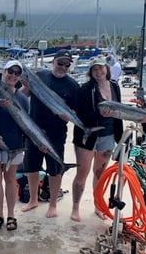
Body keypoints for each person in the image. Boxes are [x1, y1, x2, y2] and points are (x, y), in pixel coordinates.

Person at [20, 49, 79, 218]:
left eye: (67, 65)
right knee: (31, 166)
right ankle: (33, 199)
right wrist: (25, 86)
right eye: (60, 63)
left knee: (55, 169)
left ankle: (52, 204)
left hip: (56, 133)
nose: (63, 67)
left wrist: (67, 116)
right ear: (53, 62)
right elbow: (24, 96)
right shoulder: (39, 76)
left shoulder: (73, 85)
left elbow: (74, 111)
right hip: (34, 130)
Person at [71, 56, 123, 222]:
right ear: (90, 72)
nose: (98, 71)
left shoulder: (115, 86)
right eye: (94, 69)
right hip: (87, 137)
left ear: (107, 69)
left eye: (101, 68)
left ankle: (98, 206)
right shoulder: (85, 89)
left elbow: (119, 112)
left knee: (100, 174)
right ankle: (75, 208)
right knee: (82, 173)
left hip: (108, 136)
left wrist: (121, 136)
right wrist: (98, 114)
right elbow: (81, 113)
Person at [0, 60, 29, 231]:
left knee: (10, 179)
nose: (13, 75)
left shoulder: (23, 98)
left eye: (17, 73)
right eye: (10, 71)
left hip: (14, 145)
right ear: (4, 71)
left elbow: (25, 124)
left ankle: (11, 215)